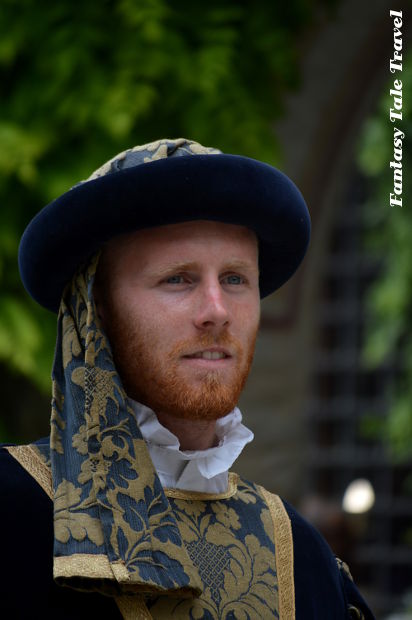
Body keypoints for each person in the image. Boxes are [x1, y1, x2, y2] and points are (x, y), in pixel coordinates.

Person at [1, 139, 374, 619]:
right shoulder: (10, 517)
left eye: (236, 279)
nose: (217, 311)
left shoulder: (303, 556)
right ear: (97, 310)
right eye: (178, 279)